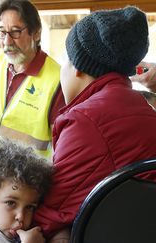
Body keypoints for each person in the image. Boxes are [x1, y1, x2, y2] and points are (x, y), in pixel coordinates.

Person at [33, 6, 156, 241]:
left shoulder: (85, 122)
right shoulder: (147, 112)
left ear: (77, 67)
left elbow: (49, 214)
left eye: (64, 62)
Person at [0, 0, 65, 158]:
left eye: (16, 32)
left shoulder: (57, 78)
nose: (7, 42)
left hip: (28, 175)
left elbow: (62, 146)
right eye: (2, 32)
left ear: (36, 33)